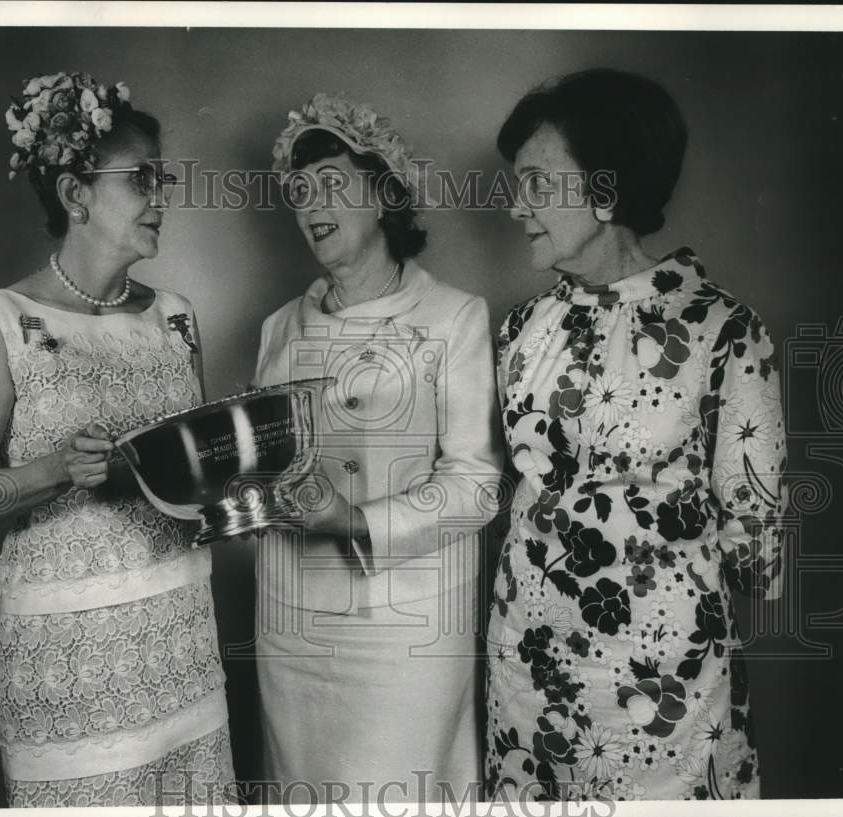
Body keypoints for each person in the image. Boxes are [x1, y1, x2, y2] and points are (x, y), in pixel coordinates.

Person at [485, 69, 787, 801]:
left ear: (606, 189)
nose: (516, 205)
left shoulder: (725, 332)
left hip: (666, 695)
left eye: (536, 182)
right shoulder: (521, 327)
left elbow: (757, 553)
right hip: (529, 678)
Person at [0, 71, 236, 807]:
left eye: (161, 179)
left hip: (183, 648)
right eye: (141, 179)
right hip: (73, 671)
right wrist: (50, 469)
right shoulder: (1, 321)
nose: (162, 197)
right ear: (76, 195)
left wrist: (235, 479)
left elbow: (190, 488)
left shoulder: (176, 316)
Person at [251, 93, 504, 803]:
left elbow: (476, 483)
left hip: (405, 634)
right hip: (294, 628)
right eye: (300, 191)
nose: (311, 204)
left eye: (332, 181)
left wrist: (357, 521)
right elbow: (263, 470)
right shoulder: (277, 328)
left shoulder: (453, 316)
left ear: (385, 193)